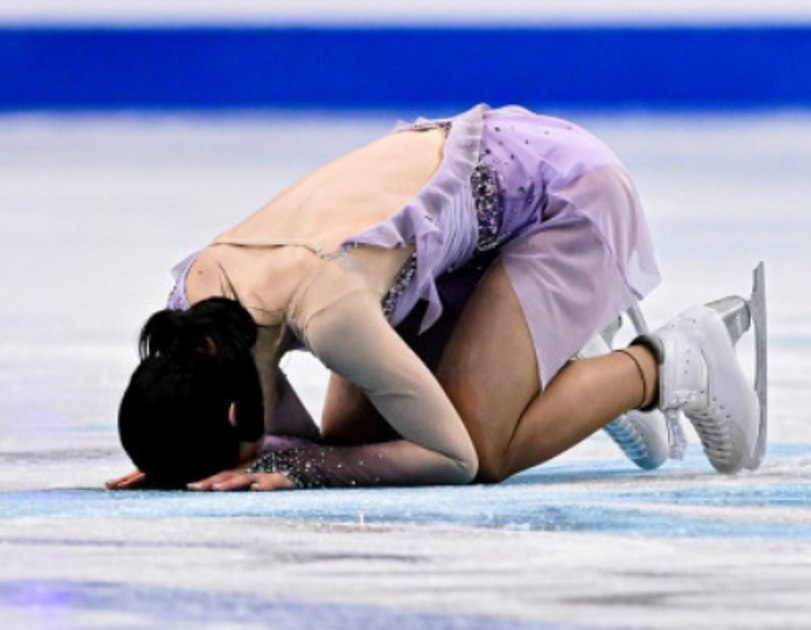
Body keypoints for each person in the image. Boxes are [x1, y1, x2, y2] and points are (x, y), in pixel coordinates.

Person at [106, 104, 766, 491]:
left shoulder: (328, 311)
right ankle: (557, 360)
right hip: (456, 228)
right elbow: (302, 440)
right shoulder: (197, 308)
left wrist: (292, 462)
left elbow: (454, 458)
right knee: (362, 440)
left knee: (486, 449)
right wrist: (174, 456)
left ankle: (669, 362)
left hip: (566, 196)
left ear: (229, 412)